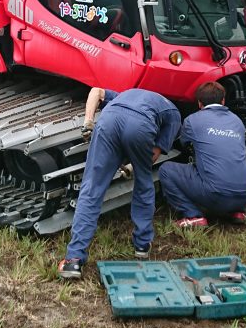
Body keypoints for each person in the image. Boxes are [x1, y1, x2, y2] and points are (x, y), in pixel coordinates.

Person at [57, 87, 181, 279]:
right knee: (144, 183)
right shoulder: (174, 114)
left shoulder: (126, 94)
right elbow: (152, 155)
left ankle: (73, 261)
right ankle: (142, 245)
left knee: (92, 188)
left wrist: (88, 122)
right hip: (140, 126)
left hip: (108, 120)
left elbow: (96, 91)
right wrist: (134, 165)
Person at [158, 81, 246, 227]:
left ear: (199, 103)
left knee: (166, 170)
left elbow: (183, 144)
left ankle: (193, 216)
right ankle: (237, 211)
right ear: (223, 100)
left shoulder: (193, 120)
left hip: (217, 195)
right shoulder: (237, 121)